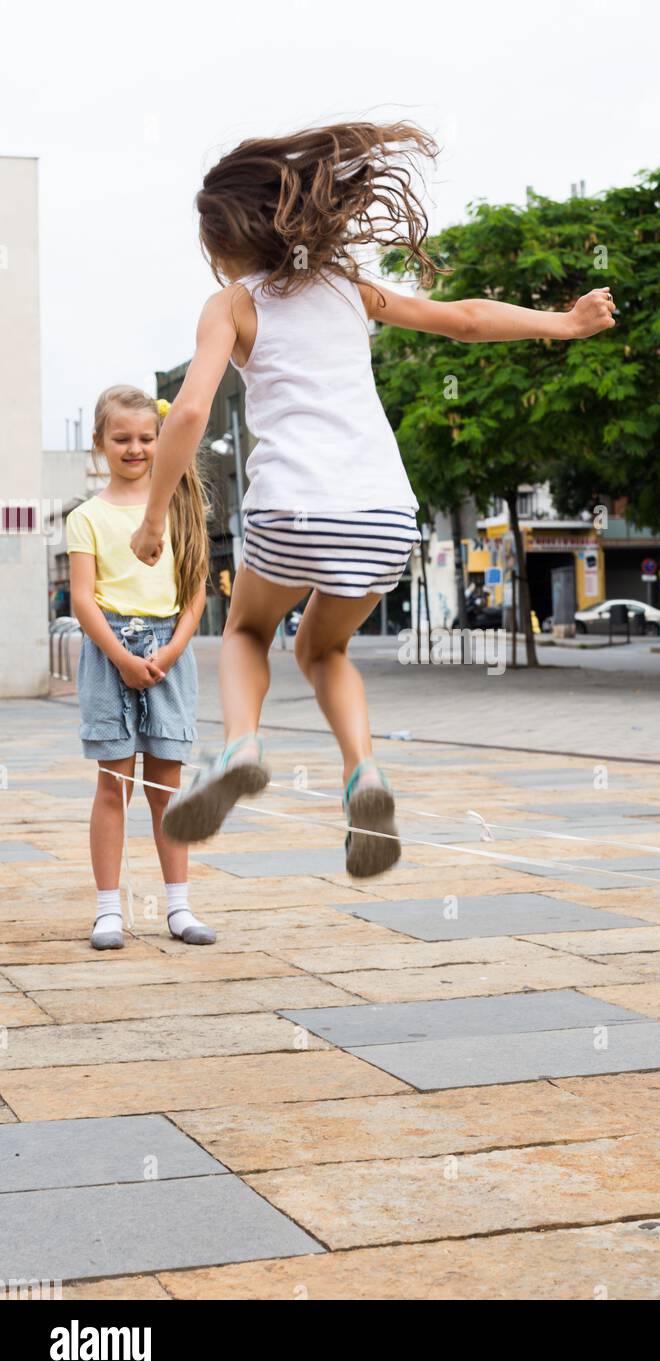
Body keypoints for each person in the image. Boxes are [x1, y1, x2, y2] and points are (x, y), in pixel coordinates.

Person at [129, 121, 616, 876]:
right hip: (385, 517)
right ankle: (365, 774)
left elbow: (189, 413)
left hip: (291, 509)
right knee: (323, 649)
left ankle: (240, 747)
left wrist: (156, 515)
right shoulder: (350, 289)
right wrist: (566, 322)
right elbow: (463, 318)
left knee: (249, 634)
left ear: (229, 240)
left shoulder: (231, 303)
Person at [66, 387, 213, 949]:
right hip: (111, 652)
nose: (135, 448)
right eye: (121, 438)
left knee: (166, 788)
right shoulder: (87, 517)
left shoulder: (175, 507)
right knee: (113, 784)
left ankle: (178, 906)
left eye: (146, 438)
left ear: (162, 439)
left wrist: (171, 652)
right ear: (100, 443)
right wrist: (123, 659)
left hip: (169, 650)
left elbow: (195, 591)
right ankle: (108, 909)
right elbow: (83, 600)